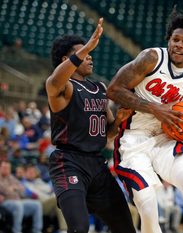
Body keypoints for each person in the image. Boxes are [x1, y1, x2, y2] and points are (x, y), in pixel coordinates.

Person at [106, 8, 183, 233]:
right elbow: (113, 89)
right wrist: (154, 108)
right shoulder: (151, 58)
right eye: (175, 39)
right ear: (169, 40)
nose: (178, 45)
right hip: (133, 139)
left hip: (164, 138)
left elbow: (178, 110)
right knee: (148, 204)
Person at [45, 18, 135, 233]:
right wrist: (87, 46)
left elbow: (108, 134)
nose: (90, 56)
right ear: (67, 59)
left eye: (89, 52)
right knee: (79, 228)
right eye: (85, 54)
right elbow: (55, 79)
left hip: (97, 164)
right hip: (68, 162)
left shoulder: (99, 88)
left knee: (126, 227)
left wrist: (120, 118)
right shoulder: (60, 86)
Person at [0, 160, 43, 233]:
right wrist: (13, 189)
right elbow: (5, 190)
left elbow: (22, 188)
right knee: (18, 205)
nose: (6, 169)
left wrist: (13, 188)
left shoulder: (11, 177)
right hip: (5, 202)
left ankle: (37, 230)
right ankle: (17, 231)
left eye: (8, 168)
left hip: (17, 200)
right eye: (4, 167)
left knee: (37, 204)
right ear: (0, 168)